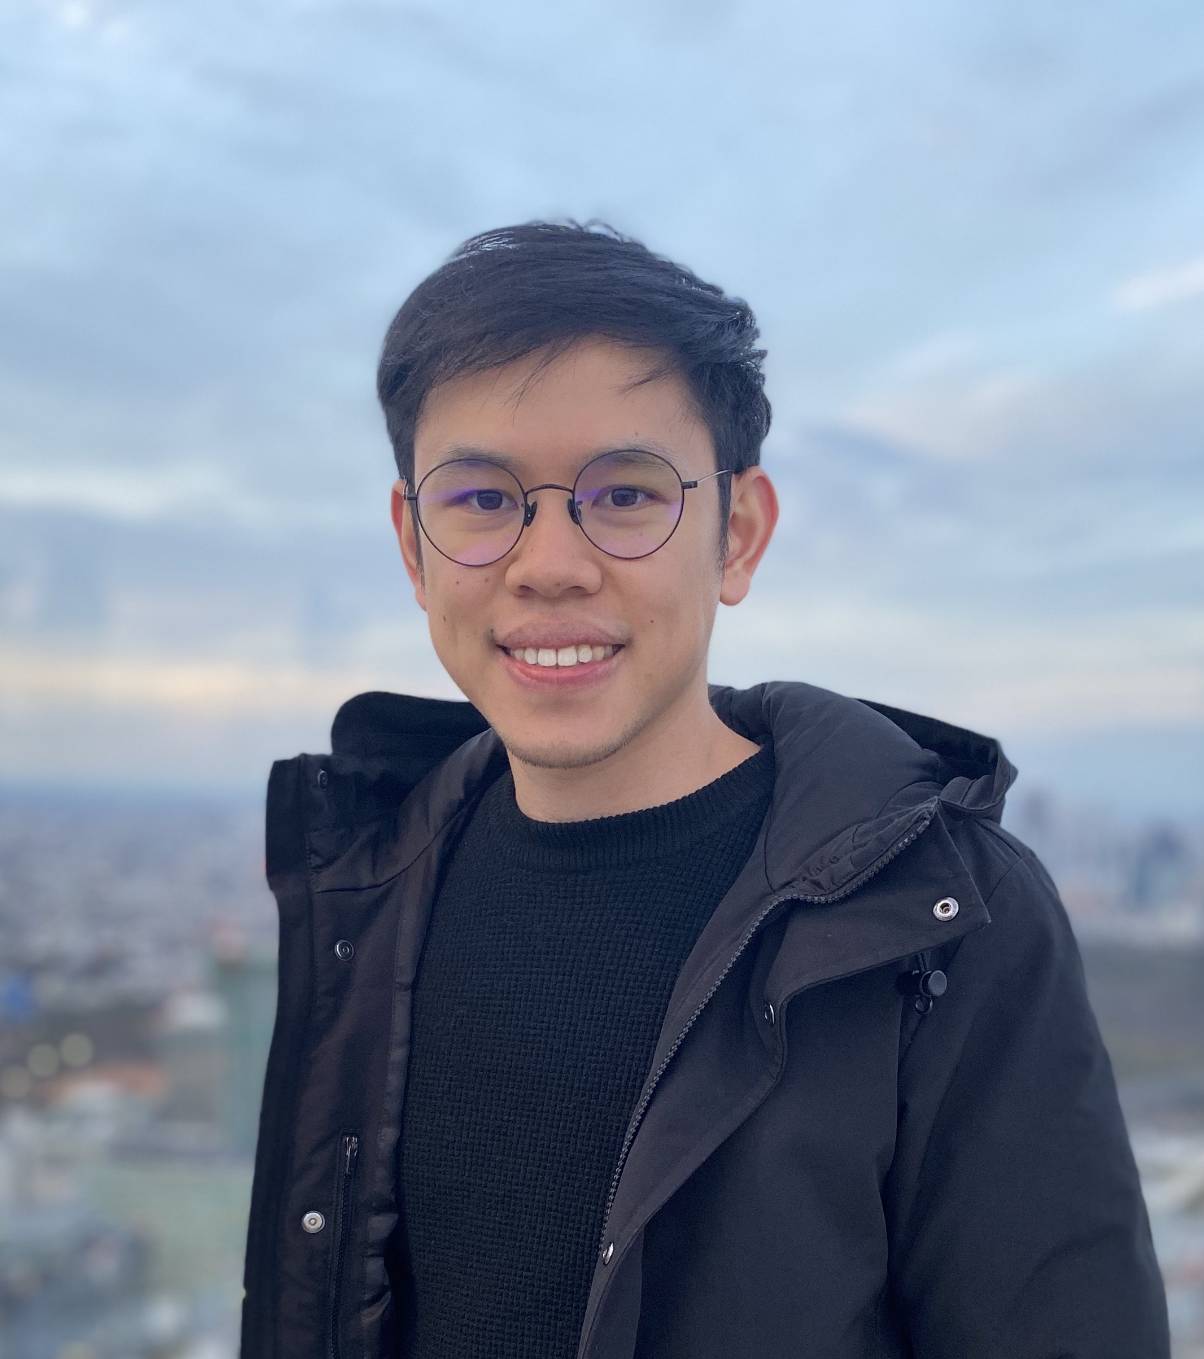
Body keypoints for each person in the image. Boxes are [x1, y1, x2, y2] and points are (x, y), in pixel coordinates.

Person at [239, 220, 1170, 1359]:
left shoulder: (940, 915)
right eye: (480, 499)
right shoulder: (371, 882)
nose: (549, 564)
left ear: (738, 534)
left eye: (625, 495)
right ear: (412, 545)